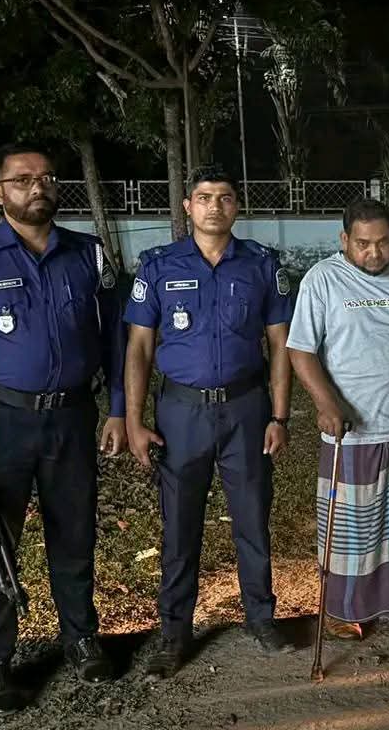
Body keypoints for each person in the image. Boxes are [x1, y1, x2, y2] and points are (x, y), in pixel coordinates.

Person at [0, 142, 127, 714]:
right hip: (2, 424)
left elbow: (116, 339)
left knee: (75, 536)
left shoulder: (87, 255)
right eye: (22, 179)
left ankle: (81, 639)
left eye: (46, 178)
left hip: (72, 417)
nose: (37, 187)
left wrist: (119, 408)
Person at [124, 165, 294, 678]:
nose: (214, 206)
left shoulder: (261, 265)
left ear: (236, 205)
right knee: (179, 526)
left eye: (224, 197)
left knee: (252, 519)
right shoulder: (158, 267)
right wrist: (134, 420)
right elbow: (139, 347)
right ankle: (174, 632)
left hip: (246, 409)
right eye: (203, 198)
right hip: (182, 413)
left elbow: (280, 345)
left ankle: (261, 618)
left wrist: (279, 415)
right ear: (187, 206)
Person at [287, 198, 389, 643]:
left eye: (383, 242)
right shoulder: (322, 280)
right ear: (344, 239)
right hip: (351, 429)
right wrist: (326, 403)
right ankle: (343, 608)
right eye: (363, 244)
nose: (374, 252)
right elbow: (300, 350)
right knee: (353, 525)